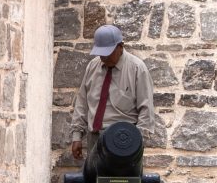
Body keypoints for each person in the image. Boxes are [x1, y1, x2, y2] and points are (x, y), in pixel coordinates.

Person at [66, 23, 154, 167]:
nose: (104, 57)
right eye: (101, 53)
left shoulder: (137, 69)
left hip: (123, 140)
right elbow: (82, 103)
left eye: (108, 52)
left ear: (120, 47)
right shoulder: (92, 67)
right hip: (95, 138)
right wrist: (77, 136)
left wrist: (136, 145)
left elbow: (146, 109)